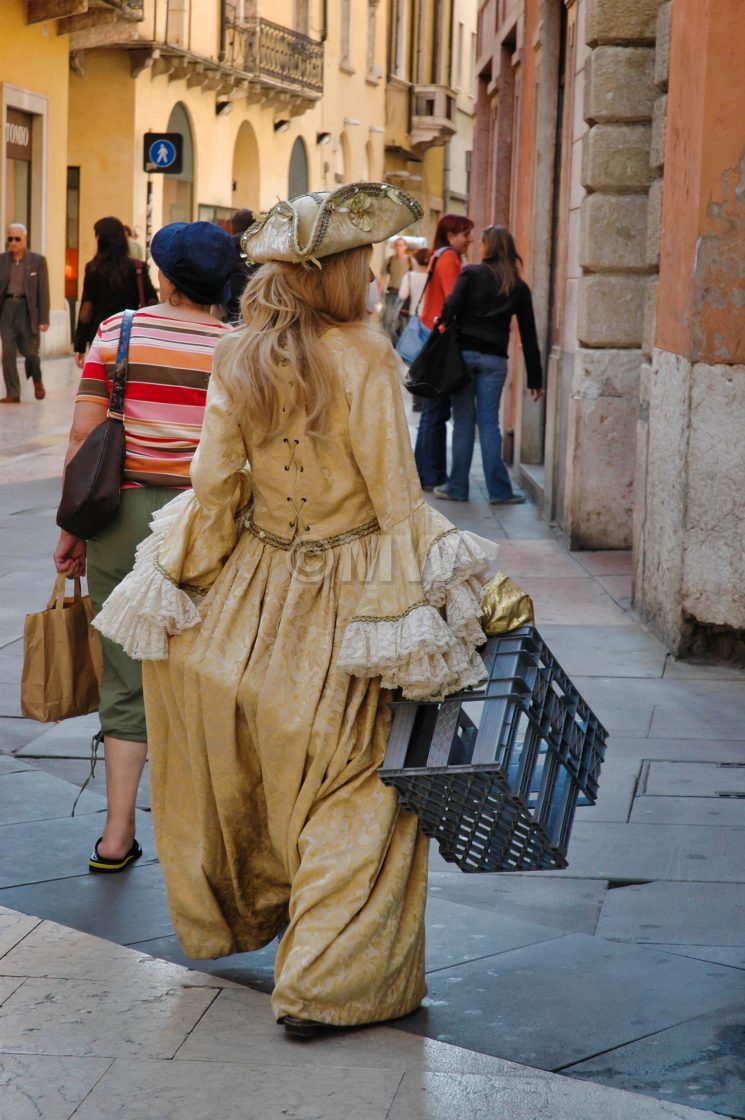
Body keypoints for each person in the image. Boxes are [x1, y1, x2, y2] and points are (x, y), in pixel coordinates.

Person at [93, 184, 494, 1035]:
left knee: (278, 771)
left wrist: (191, 567)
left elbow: (212, 486)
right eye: (363, 261)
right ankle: (325, 983)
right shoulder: (366, 355)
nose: (374, 273)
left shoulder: (240, 354)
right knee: (356, 787)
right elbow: (395, 499)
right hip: (352, 600)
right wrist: (463, 595)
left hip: (255, 594)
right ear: (339, 273)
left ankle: (276, 930)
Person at [53, 221, 237, 874]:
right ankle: (201, 842)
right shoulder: (237, 349)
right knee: (202, 671)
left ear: (161, 275)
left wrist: (72, 529)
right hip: (205, 524)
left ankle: (115, 834)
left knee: (126, 675)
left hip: (122, 516)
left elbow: (84, 436)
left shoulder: (118, 332)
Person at [433, 225, 544, 505]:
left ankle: (457, 487)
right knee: (489, 424)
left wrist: (443, 324)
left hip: (464, 356)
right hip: (495, 361)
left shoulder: (471, 274)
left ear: (488, 247)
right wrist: (535, 379)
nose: (478, 247)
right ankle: (499, 492)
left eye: (481, 242)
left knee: (463, 422)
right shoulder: (517, 286)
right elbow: (529, 335)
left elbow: (450, 309)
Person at [413, 214, 474, 490]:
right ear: (451, 235)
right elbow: (454, 300)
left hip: (430, 332)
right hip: (441, 337)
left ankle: (424, 473)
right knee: (436, 411)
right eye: (465, 234)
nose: (470, 239)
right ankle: (432, 475)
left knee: (431, 410)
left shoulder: (438, 254)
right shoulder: (449, 258)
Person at [73, 217, 158, 365]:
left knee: (102, 382)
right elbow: (152, 301)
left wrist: (79, 345)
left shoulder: (93, 268)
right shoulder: (137, 267)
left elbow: (87, 308)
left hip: (100, 334)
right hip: (129, 333)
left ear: (100, 239)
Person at [0, 223, 50, 403]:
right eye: (10, 239)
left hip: (27, 310)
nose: (13, 242)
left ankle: (37, 380)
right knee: (7, 353)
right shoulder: (2, 260)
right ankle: (13, 393)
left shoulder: (37, 261)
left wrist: (44, 319)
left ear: (24, 239)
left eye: (17, 239)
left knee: (30, 352)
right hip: (6, 308)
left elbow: (43, 291)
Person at [225, 207, 258, 322]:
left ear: (233, 226)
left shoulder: (224, 245)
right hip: (254, 310)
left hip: (227, 308)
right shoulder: (262, 248)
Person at [378, 235, 411, 340]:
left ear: (405, 247)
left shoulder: (410, 261)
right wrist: (378, 295)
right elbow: (383, 278)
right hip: (391, 293)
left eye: (401, 245)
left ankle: (399, 345)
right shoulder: (389, 260)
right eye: (396, 245)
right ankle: (385, 342)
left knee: (402, 322)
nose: (398, 247)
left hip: (405, 296)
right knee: (387, 320)